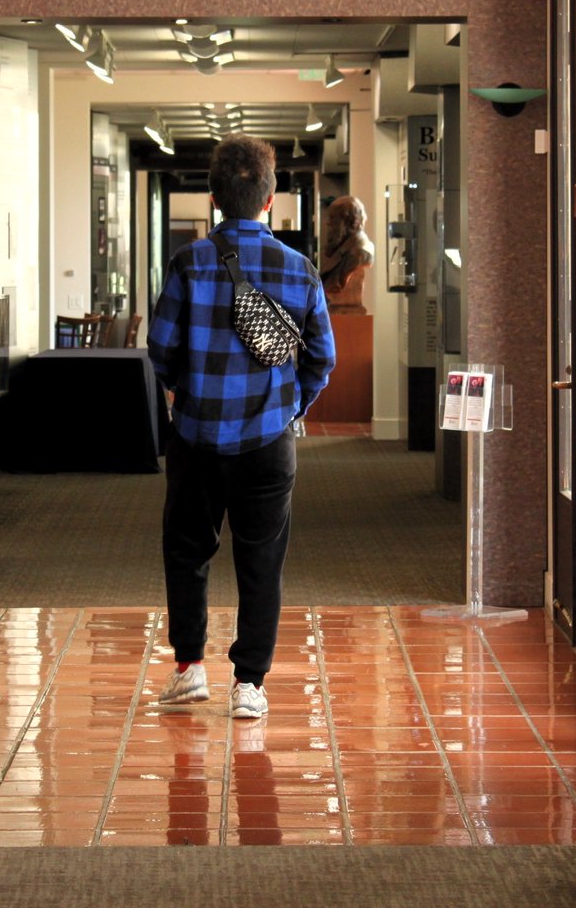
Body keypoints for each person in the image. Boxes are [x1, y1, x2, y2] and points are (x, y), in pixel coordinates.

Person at [147, 134, 335, 719]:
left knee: (187, 551)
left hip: (197, 437)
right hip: (268, 443)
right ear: (269, 199)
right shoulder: (299, 269)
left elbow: (161, 350)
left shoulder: (188, 263)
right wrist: (288, 408)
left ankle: (189, 669)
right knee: (261, 561)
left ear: (214, 198)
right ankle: (249, 685)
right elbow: (321, 357)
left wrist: (191, 391)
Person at [318, 195, 375, 312]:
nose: (328, 223)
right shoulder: (343, 247)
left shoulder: (359, 253)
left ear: (351, 221)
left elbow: (334, 285)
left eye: (333, 218)